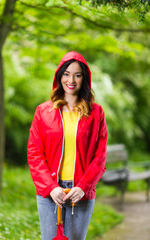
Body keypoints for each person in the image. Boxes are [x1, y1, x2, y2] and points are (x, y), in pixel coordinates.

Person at [27, 51, 108, 240]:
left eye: (77, 75)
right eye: (66, 74)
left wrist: (84, 187)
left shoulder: (96, 113)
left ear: (84, 79)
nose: (71, 79)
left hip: (80, 193)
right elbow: (34, 153)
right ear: (59, 76)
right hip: (50, 193)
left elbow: (100, 156)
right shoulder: (43, 111)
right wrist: (50, 187)